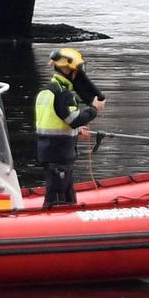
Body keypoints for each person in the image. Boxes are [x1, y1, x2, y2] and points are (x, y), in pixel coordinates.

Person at [34, 48, 103, 209]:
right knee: (57, 196)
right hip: (59, 154)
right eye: (77, 71)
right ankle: (50, 227)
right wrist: (94, 109)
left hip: (48, 151)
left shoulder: (46, 91)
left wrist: (76, 131)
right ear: (67, 70)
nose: (79, 75)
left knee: (66, 194)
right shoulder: (64, 94)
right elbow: (74, 119)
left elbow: (52, 120)